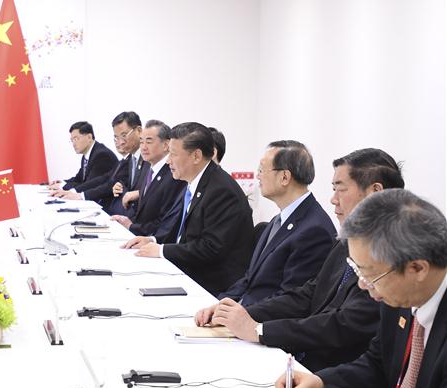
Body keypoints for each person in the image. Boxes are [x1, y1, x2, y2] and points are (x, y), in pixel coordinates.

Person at [275, 189, 447, 388]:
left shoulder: (400, 291)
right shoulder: (400, 292)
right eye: (358, 272)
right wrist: (321, 382)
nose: (365, 287)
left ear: (418, 268)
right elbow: (378, 364)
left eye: (370, 275)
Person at [195, 148, 402, 371]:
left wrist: (259, 330)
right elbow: (310, 292)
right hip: (308, 358)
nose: (333, 200)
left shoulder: (392, 252)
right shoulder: (348, 239)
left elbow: (345, 324)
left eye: (340, 189)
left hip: (336, 367)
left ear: (375, 191)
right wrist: (239, 314)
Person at [123, 122, 253, 296]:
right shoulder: (195, 181)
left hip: (211, 285)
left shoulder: (221, 190)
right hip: (192, 270)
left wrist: (162, 250)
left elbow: (210, 248)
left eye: (173, 154)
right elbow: (182, 233)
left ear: (196, 156)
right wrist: (153, 240)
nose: (168, 161)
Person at [214, 140, 336, 306]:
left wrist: (238, 314)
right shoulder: (280, 219)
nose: (258, 176)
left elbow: (290, 300)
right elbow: (250, 279)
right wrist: (220, 303)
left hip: (261, 322)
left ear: (284, 177)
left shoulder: (314, 230)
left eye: (262, 170)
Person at [55, 111, 146, 216]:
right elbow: (104, 178)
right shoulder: (130, 158)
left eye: (124, 135)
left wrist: (79, 194)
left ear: (139, 131)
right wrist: (67, 187)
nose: (120, 142)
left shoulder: (102, 154)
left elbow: (107, 184)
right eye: (116, 137)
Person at [110, 120, 186, 237]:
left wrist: (131, 226)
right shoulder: (148, 168)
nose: (143, 147)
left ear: (166, 145)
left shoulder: (173, 174)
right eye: (141, 141)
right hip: (139, 236)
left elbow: (164, 221)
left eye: (149, 142)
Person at [47, 121, 116, 192]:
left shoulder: (102, 155)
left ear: (89, 137)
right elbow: (79, 178)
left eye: (76, 139)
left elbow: (89, 185)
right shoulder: (87, 155)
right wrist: (62, 182)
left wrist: (63, 186)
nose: (73, 144)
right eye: (72, 140)